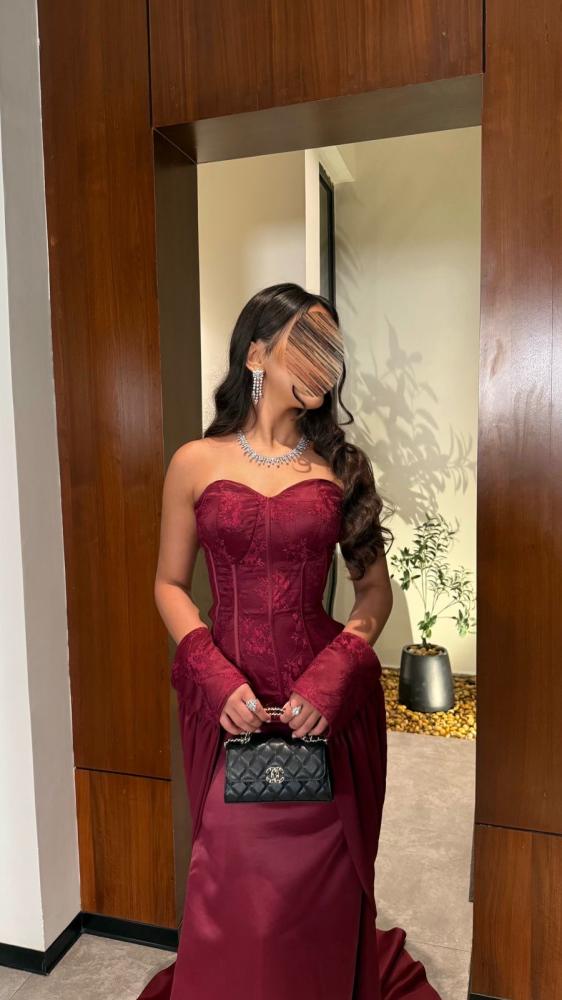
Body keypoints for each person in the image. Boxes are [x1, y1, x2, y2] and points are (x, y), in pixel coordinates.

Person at [138, 283, 442, 999]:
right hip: (229, 707)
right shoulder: (194, 461)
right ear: (256, 354)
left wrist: (333, 680)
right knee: (232, 878)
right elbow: (169, 584)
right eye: (306, 344)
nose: (322, 363)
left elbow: (374, 593)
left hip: (323, 712)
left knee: (319, 894)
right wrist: (214, 676)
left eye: (330, 350)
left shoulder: (344, 466)